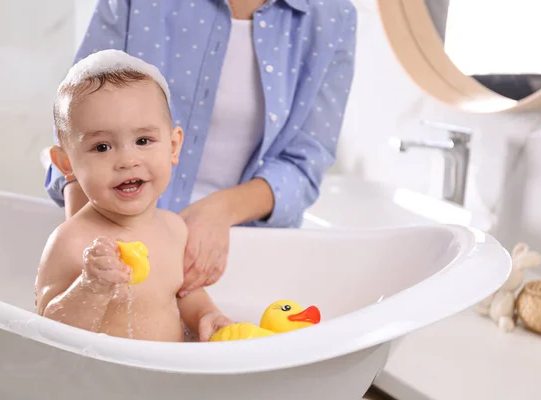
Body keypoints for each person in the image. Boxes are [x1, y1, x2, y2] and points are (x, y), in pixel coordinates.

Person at [44, 0, 357, 297]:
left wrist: (221, 210)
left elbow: (304, 163)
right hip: (112, 230)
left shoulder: (330, 16)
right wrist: (87, 245)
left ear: (174, 143)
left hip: (239, 247)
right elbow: (76, 123)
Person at [35, 50, 233, 342]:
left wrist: (206, 315)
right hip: (107, 379)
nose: (127, 160)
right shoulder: (72, 241)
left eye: (143, 140)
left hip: (169, 371)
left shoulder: (174, 229)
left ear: (174, 146)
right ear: (67, 164)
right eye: (102, 147)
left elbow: (183, 294)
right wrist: (91, 286)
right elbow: (49, 330)